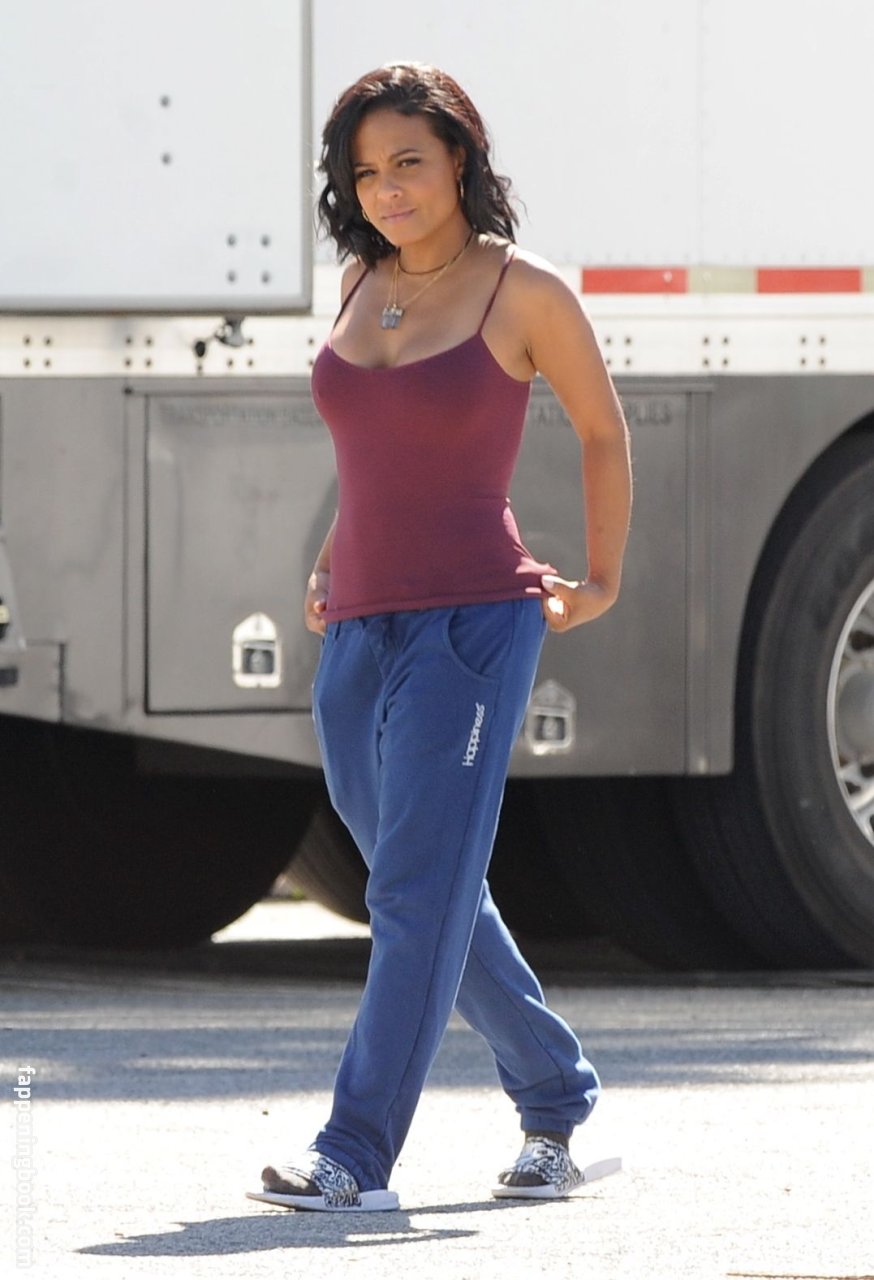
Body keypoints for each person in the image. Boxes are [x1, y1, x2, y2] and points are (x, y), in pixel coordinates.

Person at [251, 61, 632, 1213]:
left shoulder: (524, 291)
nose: (387, 189)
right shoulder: (360, 282)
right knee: (422, 881)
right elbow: (371, 451)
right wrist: (332, 557)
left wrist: (601, 578)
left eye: (408, 162)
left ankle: (354, 1152)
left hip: (473, 623)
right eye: (366, 171)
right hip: (357, 622)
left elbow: (601, 431)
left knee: (414, 891)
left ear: (460, 158)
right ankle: (556, 1091)